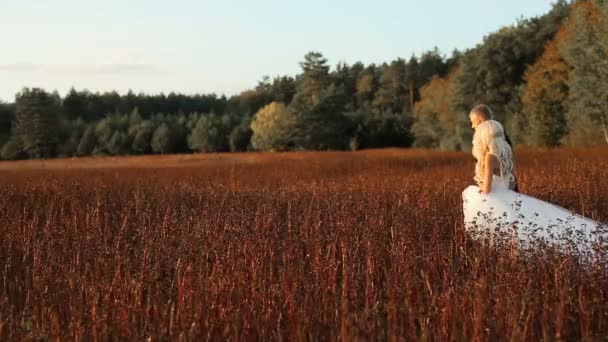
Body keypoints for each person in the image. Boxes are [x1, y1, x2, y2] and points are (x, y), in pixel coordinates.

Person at [461, 119, 606, 257]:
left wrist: (478, 182)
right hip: (509, 194)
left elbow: (486, 188)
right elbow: (511, 183)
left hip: (496, 197)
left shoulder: (489, 157)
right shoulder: (506, 154)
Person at [468, 104, 518, 192]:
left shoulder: (491, 152)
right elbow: (512, 178)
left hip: (496, 194)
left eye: (473, 121)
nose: (472, 126)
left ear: (481, 120)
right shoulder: (503, 140)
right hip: (507, 192)